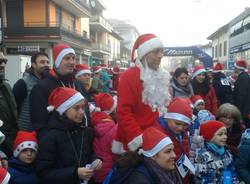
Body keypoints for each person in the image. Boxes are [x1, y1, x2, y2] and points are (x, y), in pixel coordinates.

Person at [113, 33, 171, 154]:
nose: (160, 56)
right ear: (144, 54)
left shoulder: (160, 75)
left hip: (156, 136)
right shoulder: (128, 76)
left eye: (161, 51)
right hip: (137, 141)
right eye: (156, 52)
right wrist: (139, 140)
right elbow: (124, 113)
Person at [35, 87, 102, 184]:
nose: (82, 112)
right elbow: (44, 173)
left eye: (83, 107)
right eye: (76, 108)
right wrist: (75, 173)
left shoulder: (87, 131)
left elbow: (90, 153)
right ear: (63, 110)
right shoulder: (49, 136)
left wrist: (96, 160)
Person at [30, 43, 90, 138]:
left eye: (73, 58)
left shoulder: (78, 84)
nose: (72, 62)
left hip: (81, 141)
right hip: (57, 146)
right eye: (67, 58)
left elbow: (87, 113)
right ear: (57, 62)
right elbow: (39, 124)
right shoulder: (42, 87)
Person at [105, 127, 181, 184]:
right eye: (168, 151)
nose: (174, 155)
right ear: (153, 156)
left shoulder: (162, 170)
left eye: (173, 150)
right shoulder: (139, 179)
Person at [157, 98, 193, 183]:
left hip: (181, 176)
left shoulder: (183, 134)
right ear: (167, 117)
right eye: (177, 123)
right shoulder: (159, 133)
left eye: (185, 125)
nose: (181, 128)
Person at [13, 52, 50, 131]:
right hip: (27, 131)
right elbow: (14, 108)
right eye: (42, 62)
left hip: (45, 130)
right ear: (33, 64)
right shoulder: (23, 83)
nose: (46, 64)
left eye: (47, 62)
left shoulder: (50, 82)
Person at [91, 93, 118, 183]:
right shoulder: (113, 128)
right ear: (113, 112)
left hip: (97, 171)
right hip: (110, 173)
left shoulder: (95, 124)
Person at [0, 52, 18, 157]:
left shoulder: (6, 86)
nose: (3, 65)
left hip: (11, 144)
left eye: (4, 61)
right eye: (0, 62)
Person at [233, 60, 250, 127]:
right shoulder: (244, 76)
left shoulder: (243, 78)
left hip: (243, 111)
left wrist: (238, 111)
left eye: (235, 67)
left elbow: (241, 96)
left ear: (238, 68)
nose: (234, 68)